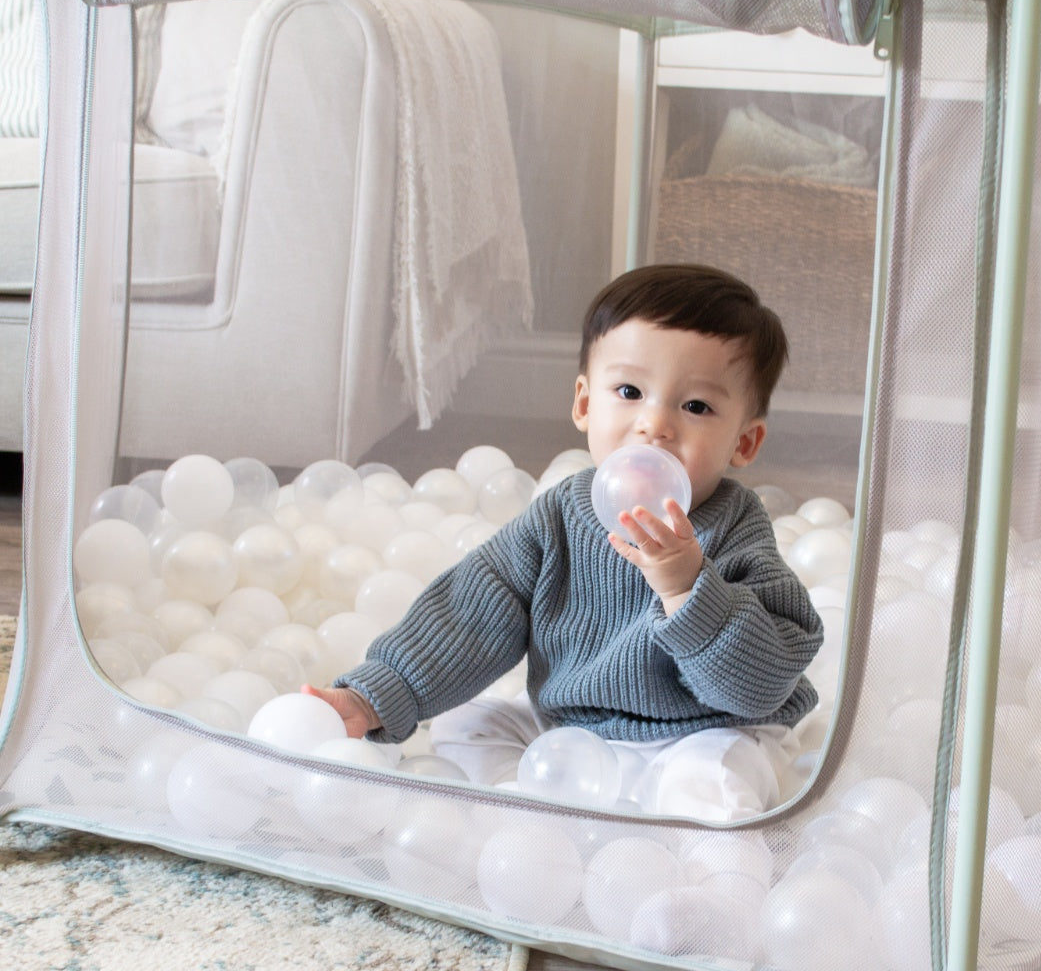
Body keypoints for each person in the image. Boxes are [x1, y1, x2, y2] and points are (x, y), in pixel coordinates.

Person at [303, 263, 824, 820]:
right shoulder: (559, 515)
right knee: (464, 728)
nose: (654, 424)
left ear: (744, 442)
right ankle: (527, 821)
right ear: (584, 404)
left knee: (717, 781)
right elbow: (472, 610)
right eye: (629, 392)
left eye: (695, 406)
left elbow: (761, 685)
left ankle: (686, 864)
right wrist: (380, 691)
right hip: (573, 734)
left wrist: (688, 589)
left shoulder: (737, 528)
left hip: (701, 733)